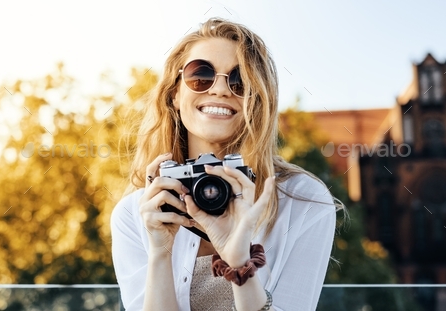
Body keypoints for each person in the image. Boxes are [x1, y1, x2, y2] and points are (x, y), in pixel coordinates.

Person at [111, 17, 342, 311]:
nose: (220, 90)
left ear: (256, 101)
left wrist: (240, 264)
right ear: (175, 94)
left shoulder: (305, 201)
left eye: (239, 81)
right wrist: (159, 252)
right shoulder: (136, 214)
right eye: (200, 76)